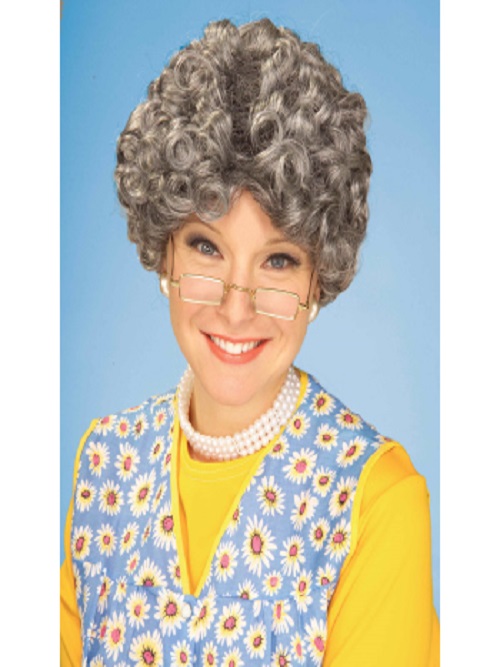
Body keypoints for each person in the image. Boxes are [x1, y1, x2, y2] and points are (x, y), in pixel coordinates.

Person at [60, 17, 439, 666]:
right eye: (207, 247)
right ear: (164, 253)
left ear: (318, 278)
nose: (237, 306)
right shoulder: (104, 464)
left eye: (278, 260)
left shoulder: (375, 499)